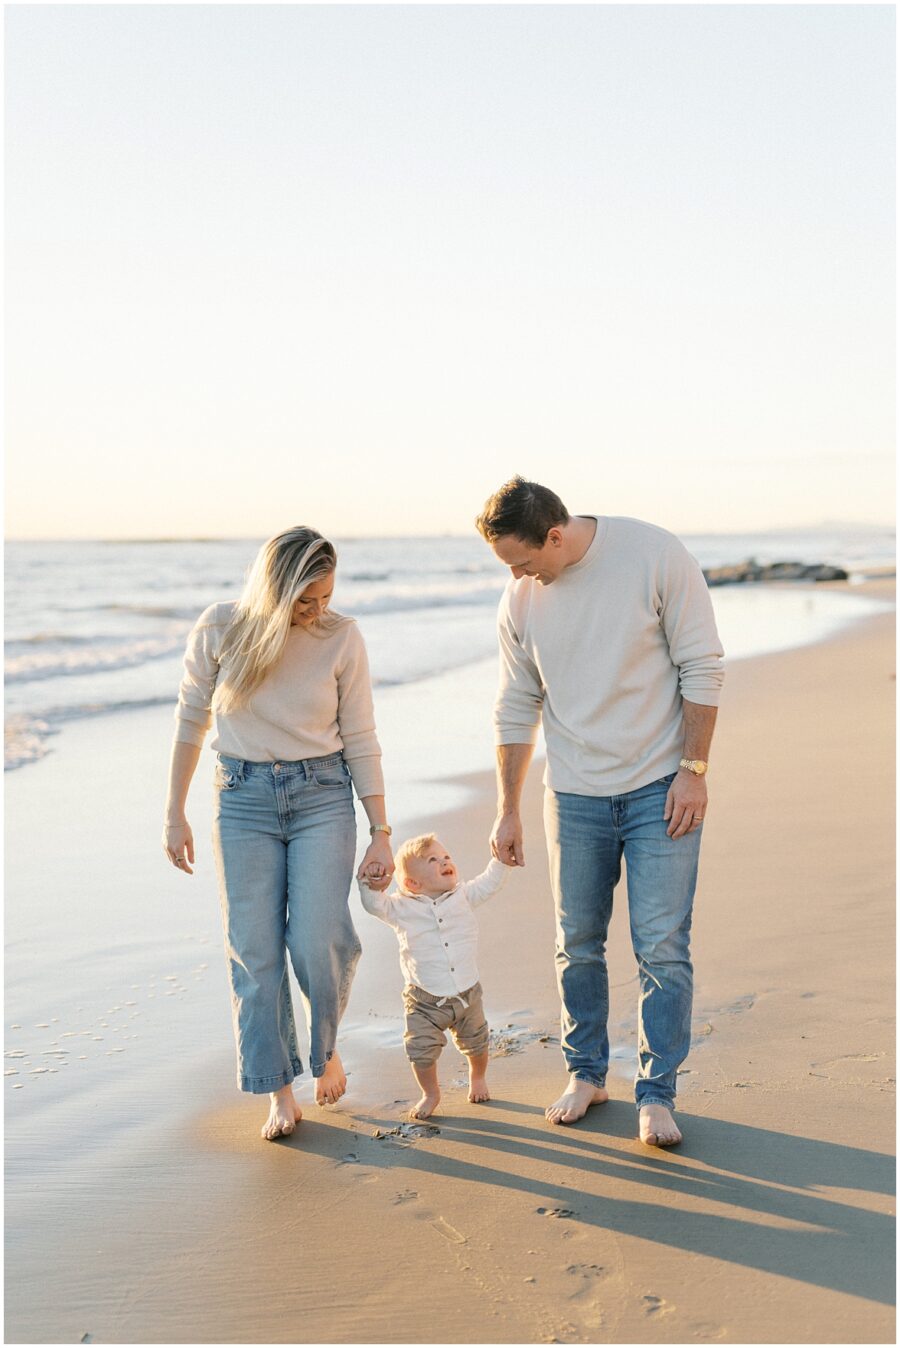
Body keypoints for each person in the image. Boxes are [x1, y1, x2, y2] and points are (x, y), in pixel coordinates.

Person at [476, 477, 724, 1147]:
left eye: (524, 561)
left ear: (555, 536)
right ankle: (586, 1073)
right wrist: (507, 808)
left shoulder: (652, 554)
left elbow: (703, 665)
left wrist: (693, 771)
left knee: (661, 949)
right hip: (574, 795)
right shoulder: (522, 597)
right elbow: (515, 701)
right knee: (575, 944)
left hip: (658, 788)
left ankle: (657, 1093)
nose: (520, 576)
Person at [162, 526, 395, 1141]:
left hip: (322, 795)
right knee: (254, 950)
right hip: (241, 800)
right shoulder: (219, 629)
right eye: (304, 601)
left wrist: (381, 830)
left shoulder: (340, 637)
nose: (316, 612)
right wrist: (174, 812)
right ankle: (279, 1089)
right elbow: (190, 719)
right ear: (274, 587)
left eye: (324, 598)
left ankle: (326, 1050)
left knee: (318, 937)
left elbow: (363, 737)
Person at [358, 833, 509, 1120]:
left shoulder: (463, 895)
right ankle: (430, 1092)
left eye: (446, 857)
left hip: (467, 993)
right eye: (433, 860)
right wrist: (370, 883)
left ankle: (478, 1077)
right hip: (423, 1000)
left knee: (477, 1041)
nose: (444, 861)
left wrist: (500, 860)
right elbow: (374, 905)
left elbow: (490, 883)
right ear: (412, 883)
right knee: (420, 1051)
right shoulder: (401, 907)